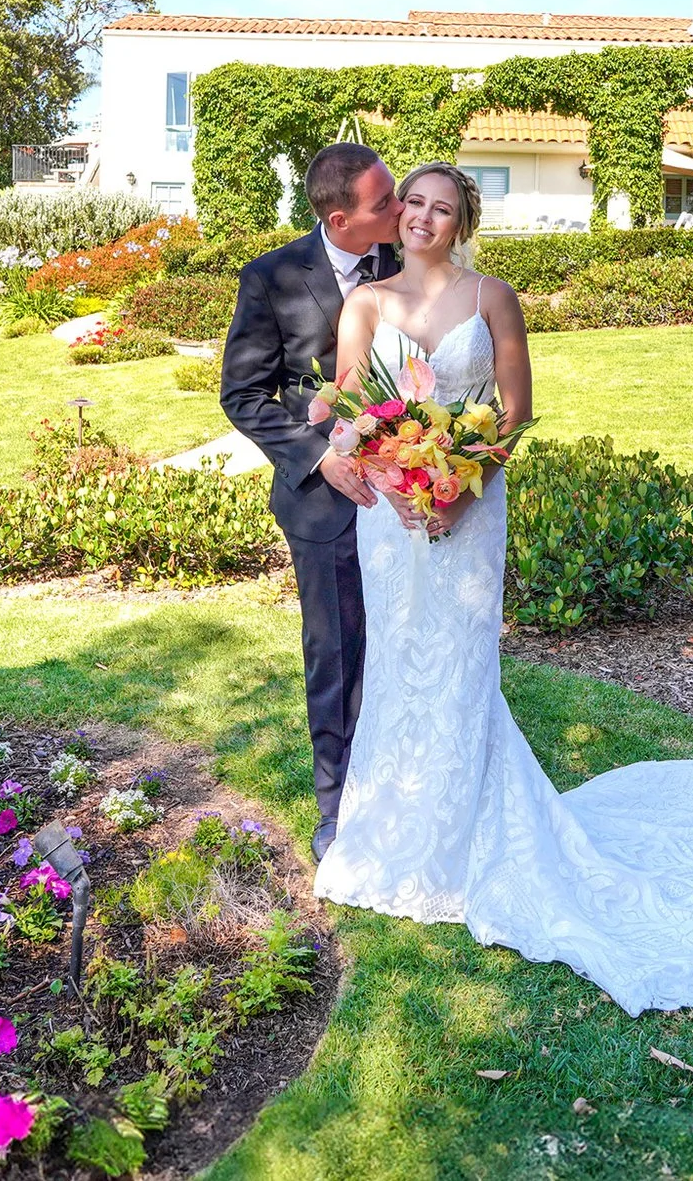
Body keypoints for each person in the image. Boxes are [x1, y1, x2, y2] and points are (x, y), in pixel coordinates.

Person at [312, 161, 693, 1014]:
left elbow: (515, 412)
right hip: (390, 518)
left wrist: (458, 489)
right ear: (398, 215)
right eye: (412, 203)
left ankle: (463, 841)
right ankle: (392, 834)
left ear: (463, 221)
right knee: (396, 666)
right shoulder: (366, 306)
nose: (422, 216)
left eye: (441, 208)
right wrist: (370, 461)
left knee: (455, 670)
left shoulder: (493, 298)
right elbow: (351, 407)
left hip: (465, 510)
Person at [218, 143, 402, 860]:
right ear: (339, 217)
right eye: (384, 202)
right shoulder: (272, 278)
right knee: (336, 650)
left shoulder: (408, 262)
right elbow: (242, 394)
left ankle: (408, 787)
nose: (400, 209)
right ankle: (337, 808)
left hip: (412, 494)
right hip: (323, 501)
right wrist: (321, 457)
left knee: (404, 644)